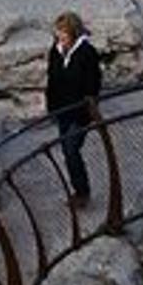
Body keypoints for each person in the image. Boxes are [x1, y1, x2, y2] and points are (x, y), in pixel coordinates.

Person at [45, 11, 104, 209]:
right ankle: (79, 190)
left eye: (64, 32)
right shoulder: (56, 51)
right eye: (59, 32)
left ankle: (82, 192)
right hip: (62, 110)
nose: (61, 36)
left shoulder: (87, 53)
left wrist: (88, 108)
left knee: (71, 150)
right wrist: (51, 107)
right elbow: (52, 80)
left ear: (74, 32)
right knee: (68, 151)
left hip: (80, 112)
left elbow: (93, 84)